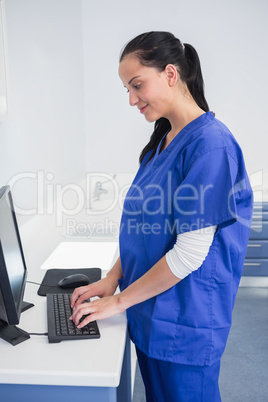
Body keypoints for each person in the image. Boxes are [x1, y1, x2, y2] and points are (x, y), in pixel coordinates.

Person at [70, 31, 253, 401]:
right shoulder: (163, 140)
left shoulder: (210, 146)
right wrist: (112, 280)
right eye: (127, 89)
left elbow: (189, 253)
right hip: (152, 309)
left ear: (171, 73)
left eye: (137, 85)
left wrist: (118, 301)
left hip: (186, 321)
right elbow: (144, 231)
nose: (132, 99)